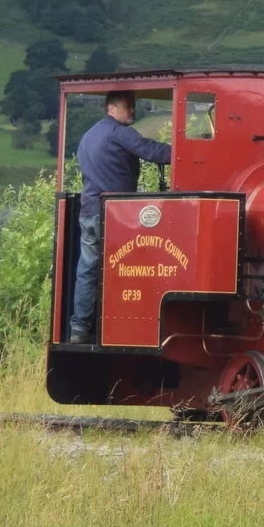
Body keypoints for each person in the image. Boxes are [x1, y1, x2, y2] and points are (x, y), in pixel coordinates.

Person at [66, 90, 173, 345]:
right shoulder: (118, 132)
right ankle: (129, 325)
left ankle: (80, 328)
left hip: (90, 209)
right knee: (131, 268)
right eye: (129, 106)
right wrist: (185, 152)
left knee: (88, 270)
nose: (132, 111)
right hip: (114, 215)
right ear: (112, 108)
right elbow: (150, 150)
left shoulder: (88, 136)